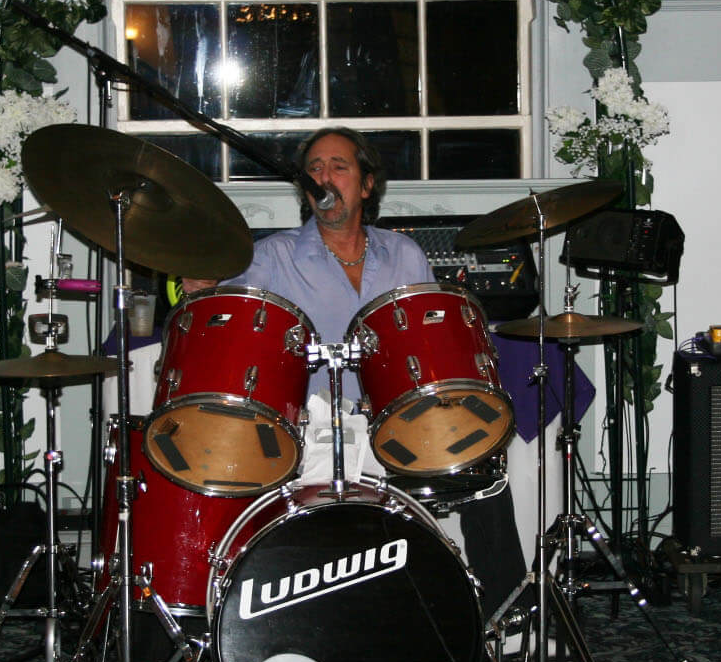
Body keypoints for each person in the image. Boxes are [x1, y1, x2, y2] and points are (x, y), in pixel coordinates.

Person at [183, 127, 528, 618]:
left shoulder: (404, 254)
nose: (325, 176)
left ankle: (508, 622)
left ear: (367, 185)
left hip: (396, 424)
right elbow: (228, 321)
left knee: (481, 466)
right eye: (316, 169)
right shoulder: (271, 255)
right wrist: (198, 292)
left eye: (339, 166)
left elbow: (428, 348)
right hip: (307, 429)